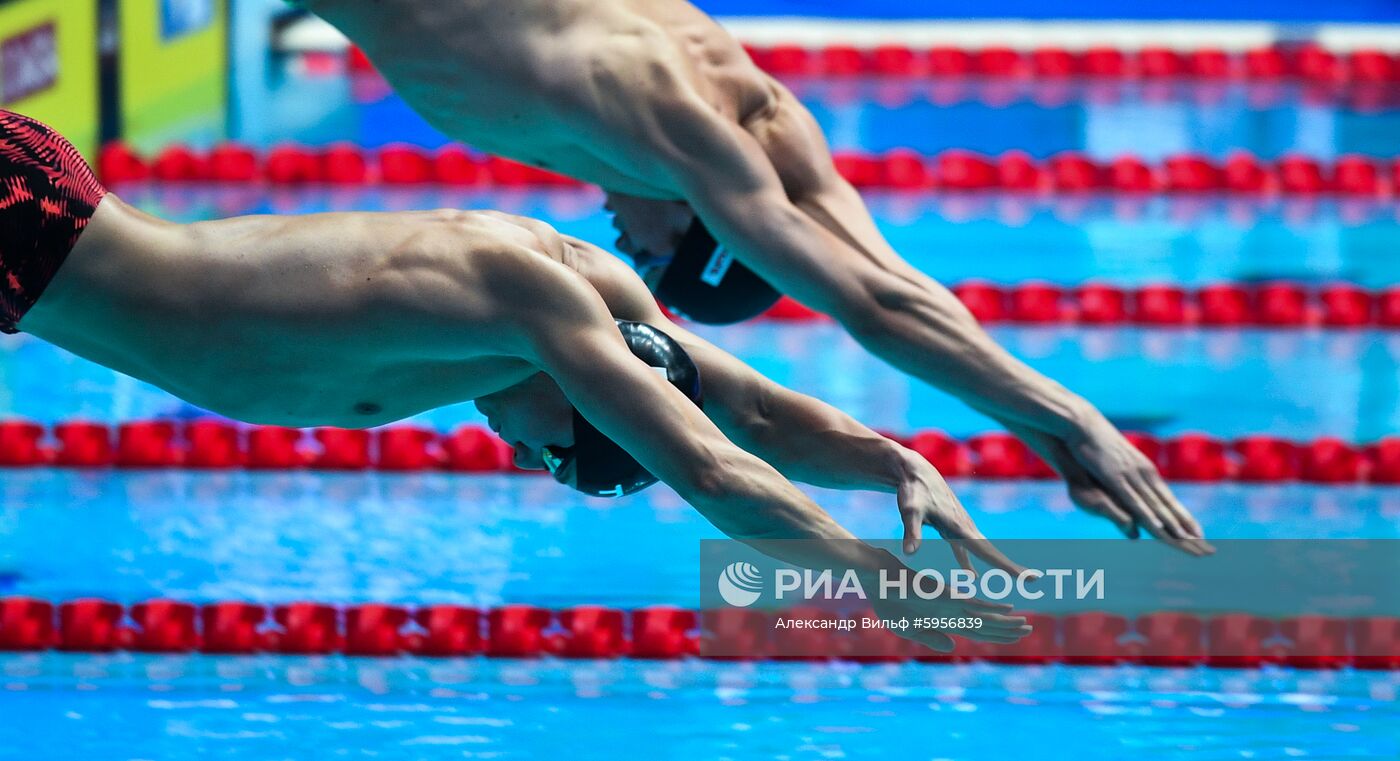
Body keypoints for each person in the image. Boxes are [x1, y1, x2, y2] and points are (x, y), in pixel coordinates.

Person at [2, 108, 1029, 652]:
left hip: (39, 246)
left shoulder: (601, 296)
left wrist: (890, 457)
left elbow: (748, 406)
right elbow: (712, 467)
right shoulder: (539, 304)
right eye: (552, 448)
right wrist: (873, 577)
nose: (521, 452)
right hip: (27, 230)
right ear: (590, 397)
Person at [293, 0, 1212, 556]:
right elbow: (872, 303)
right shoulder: (670, 117)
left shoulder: (756, 106)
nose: (627, 248)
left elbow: (893, 275)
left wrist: (1039, 427)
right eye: (658, 259)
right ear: (710, 220)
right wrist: (1075, 417)